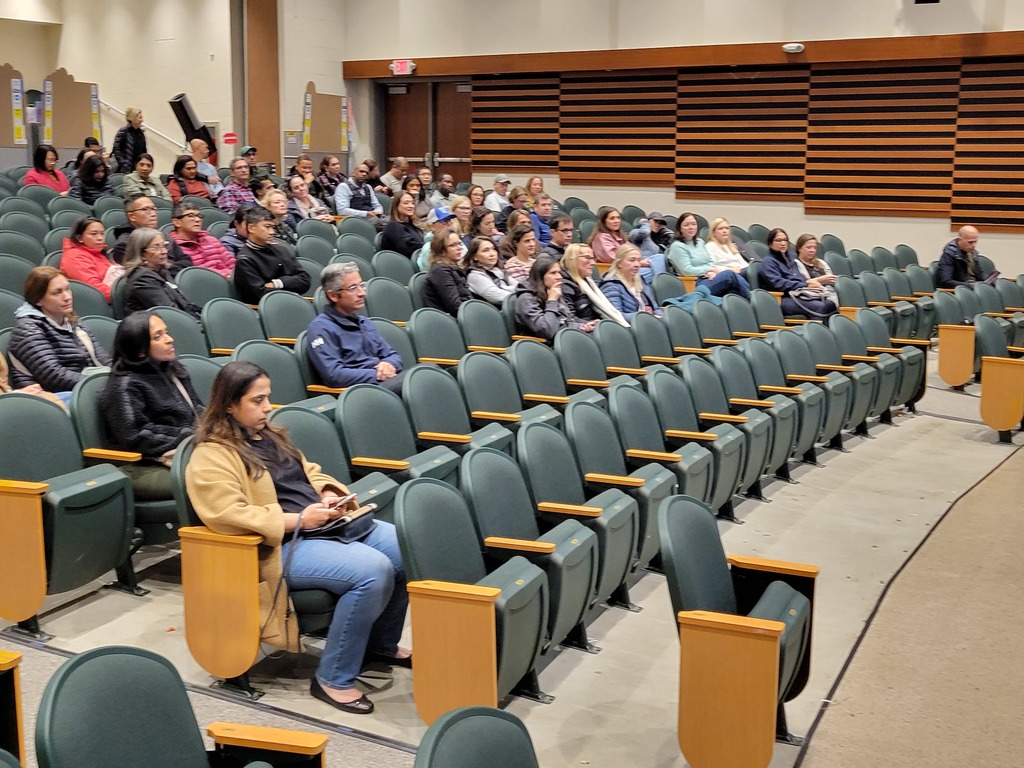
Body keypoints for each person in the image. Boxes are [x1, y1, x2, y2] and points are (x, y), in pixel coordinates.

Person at [186, 360, 410, 713]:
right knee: (373, 570)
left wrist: (328, 494)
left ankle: (380, 643)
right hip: (281, 545)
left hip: (323, 525)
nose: (267, 407)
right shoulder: (211, 454)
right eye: (257, 401)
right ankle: (333, 678)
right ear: (229, 404)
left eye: (267, 398)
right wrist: (299, 520)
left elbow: (310, 473)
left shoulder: (271, 435)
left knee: (403, 547)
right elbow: (225, 514)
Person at [100, 310, 203, 499]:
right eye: (158, 336)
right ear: (140, 350)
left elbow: (196, 409)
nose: (169, 339)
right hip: (147, 464)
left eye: (166, 332)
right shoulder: (124, 386)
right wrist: (188, 436)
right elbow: (136, 436)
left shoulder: (174, 370)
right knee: (220, 476)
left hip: (189, 449)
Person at [9, 266, 112, 398]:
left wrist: (119, 375)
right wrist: (102, 383)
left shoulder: (71, 319)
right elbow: (54, 378)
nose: (67, 297)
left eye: (67, 289)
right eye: (57, 293)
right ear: (38, 299)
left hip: (82, 386)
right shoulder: (27, 329)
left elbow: (103, 359)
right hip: (50, 397)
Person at [307, 262, 406, 392]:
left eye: (362, 285)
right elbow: (334, 375)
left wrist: (389, 364)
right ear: (333, 296)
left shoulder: (365, 322)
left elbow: (392, 355)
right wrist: (377, 374)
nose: (362, 293)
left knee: (425, 372)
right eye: (353, 288)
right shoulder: (321, 328)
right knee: (421, 380)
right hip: (360, 391)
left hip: (383, 383)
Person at [233, 207, 311, 304]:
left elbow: (305, 280)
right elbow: (262, 295)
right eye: (267, 227)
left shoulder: (281, 249)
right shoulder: (245, 260)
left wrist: (277, 283)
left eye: (273, 227)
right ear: (251, 228)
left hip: (292, 303)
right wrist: (292, 283)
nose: (272, 232)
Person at [515, 256, 599, 341]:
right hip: (545, 345)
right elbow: (547, 331)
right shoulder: (526, 299)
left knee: (600, 333)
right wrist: (552, 301)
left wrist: (585, 325)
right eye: (553, 273)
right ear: (540, 276)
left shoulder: (551, 291)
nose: (559, 277)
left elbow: (568, 319)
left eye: (559, 272)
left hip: (564, 337)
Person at [667, 213, 750, 298]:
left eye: (693, 224)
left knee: (735, 289)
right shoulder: (677, 247)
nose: (691, 227)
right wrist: (709, 270)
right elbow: (687, 271)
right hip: (695, 283)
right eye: (686, 225)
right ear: (680, 228)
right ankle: (750, 298)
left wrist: (711, 272)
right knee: (729, 274)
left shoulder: (700, 242)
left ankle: (748, 300)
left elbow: (710, 262)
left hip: (708, 277)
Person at [760, 228, 837, 320]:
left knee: (829, 303)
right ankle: (815, 329)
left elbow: (799, 277)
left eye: (785, 240)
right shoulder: (768, 262)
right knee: (819, 306)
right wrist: (806, 284)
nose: (783, 243)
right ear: (770, 243)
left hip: (799, 293)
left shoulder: (791, 259)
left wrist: (808, 283)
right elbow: (778, 284)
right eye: (778, 240)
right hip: (783, 298)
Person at [123, 227, 202, 317]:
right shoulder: (142, 279)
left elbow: (185, 304)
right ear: (142, 254)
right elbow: (170, 312)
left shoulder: (161, 270)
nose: (164, 251)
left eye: (164, 246)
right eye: (156, 248)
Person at [111, 195, 193, 274]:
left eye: (154, 209)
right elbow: (145, 272)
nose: (153, 214)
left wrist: (168, 268)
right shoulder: (124, 244)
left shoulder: (162, 236)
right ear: (132, 216)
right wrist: (173, 268)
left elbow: (186, 260)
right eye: (145, 209)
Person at [562, 243, 628, 326]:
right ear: (572, 259)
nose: (593, 263)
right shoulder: (565, 285)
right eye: (587, 258)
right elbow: (569, 319)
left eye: (593, 259)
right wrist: (588, 324)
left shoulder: (589, 282)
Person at [60, 216, 124, 302]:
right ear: (80, 238)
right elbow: (94, 289)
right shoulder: (74, 257)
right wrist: (124, 294)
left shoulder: (98, 253)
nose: (100, 238)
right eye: (94, 234)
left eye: (102, 233)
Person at [169, 201, 235, 277]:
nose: (198, 220)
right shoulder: (173, 247)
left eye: (199, 216)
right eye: (191, 216)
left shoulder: (212, 240)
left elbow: (232, 264)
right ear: (177, 222)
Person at [600, 243, 662, 321]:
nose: (637, 264)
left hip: (648, 322)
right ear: (619, 263)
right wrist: (644, 316)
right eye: (632, 260)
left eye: (639, 260)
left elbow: (655, 308)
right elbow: (616, 316)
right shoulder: (611, 285)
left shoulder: (640, 280)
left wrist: (662, 317)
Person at [423, 230, 472, 316]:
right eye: (453, 245)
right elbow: (455, 306)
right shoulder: (439, 271)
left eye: (459, 244)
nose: (459, 248)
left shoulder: (455, 268)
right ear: (441, 251)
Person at [463, 236, 516, 306]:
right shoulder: (474, 275)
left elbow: (518, 286)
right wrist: (521, 296)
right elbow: (498, 297)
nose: (492, 254)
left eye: (493, 249)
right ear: (474, 257)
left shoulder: (498, 270)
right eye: (485, 250)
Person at [793, 233, 838, 306]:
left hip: (828, 293)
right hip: (810, 295)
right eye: (808, 247)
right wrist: (820, 280)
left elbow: (831, 279)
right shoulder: (795, 264)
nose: (812, 250)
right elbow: (803, 283)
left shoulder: (821, 263)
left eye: (814, 248)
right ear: (799, 248)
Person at [628, 211, 672, 281]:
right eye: (656, 221)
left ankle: (661, 281)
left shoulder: (659, 238)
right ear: (649, 221)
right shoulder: (636, 232)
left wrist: (664, 230)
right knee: (660, 257)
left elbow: (672, 235)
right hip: (638, 269)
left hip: (652, 270)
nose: (658, 224)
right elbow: (644, 232)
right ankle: (661, 281)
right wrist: (645, 223)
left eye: (660, 223)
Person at [380, 191, 424, 257]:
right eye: (406, 203)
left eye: (412, 203)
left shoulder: (412, 225)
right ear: (396, 206)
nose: (411, 206)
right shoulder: (393, 227)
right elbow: (408, 249)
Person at [415, 206, 457, 271]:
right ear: (432, 226)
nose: (449, 224)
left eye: (449, 220)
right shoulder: (428, 249)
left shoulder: (457, 240)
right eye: (444, 221)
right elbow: (431, 273)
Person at [111, 107, 147, 173]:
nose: (142, 120)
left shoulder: (141, 133)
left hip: (138, 167)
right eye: (140, 118)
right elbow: (116, 150)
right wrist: (123, 163)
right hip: (125, 168)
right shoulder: (123, 132)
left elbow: (144, 150)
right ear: (133, 119)